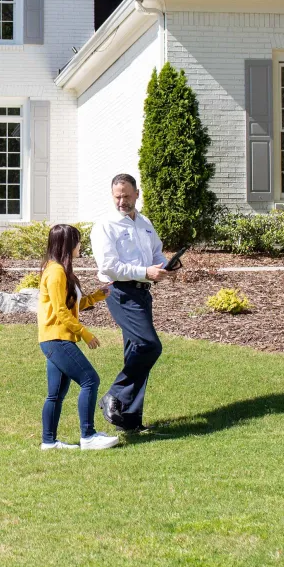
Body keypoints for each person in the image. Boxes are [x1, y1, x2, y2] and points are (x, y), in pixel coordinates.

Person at [90, 174, 169, 432]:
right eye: (117, 196)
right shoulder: (106, 225)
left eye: (126, 195)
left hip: (143, 292)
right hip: (121, 292)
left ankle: (129, 419)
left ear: (137, 193)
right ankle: (114, 395)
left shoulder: (144, 223)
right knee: (149, 346)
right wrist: (145, 272)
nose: (121, 201)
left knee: (136, 352)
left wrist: (165, 266)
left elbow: (156, 252)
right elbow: (109, 267)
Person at [38, 223, 119, 451]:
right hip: (57, 339)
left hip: (53, 339)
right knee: (90, 380)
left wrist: (96, 296)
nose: (79, 245)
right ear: (67, 244)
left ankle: (49, 442)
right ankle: (88, 436)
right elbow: (60, 311)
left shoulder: (57, 269)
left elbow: (71, 305)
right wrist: (84, 333)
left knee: (55, 394)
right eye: (77, 241)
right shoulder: (55, 272)